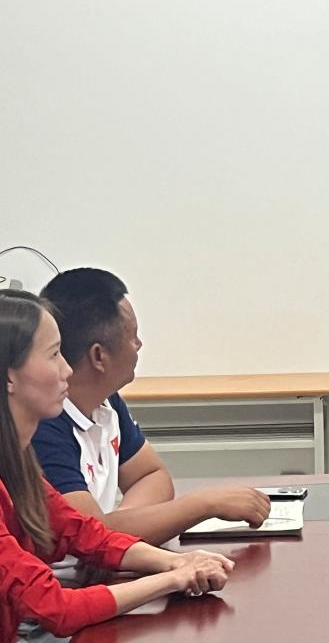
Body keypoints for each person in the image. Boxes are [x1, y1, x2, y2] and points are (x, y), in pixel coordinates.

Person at [1, 289, 233, 642]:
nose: (67, 369)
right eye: (53, 355)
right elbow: (56, 608)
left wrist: (176, 562)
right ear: (9, 377)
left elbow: (86, 534)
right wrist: (172, 578)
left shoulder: (18, 463)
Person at [32, 269, 270, 546]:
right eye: (132, 336)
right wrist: (205, 504)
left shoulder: (105, 401)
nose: (139, 344)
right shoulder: (43, 425)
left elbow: (150, 476)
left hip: (103, 566)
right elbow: (90, 538)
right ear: (99, 356)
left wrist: (119, 527)